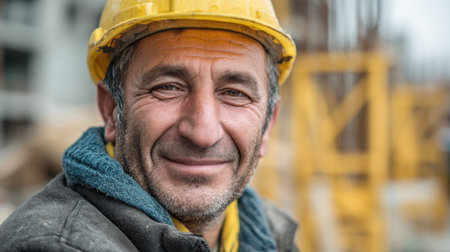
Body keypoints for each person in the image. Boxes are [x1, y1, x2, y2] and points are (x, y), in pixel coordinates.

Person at [0, 0, 297, 251]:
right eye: (168, 87)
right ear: (111, 109)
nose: (203, 133)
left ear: (268, 124)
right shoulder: (54, 244)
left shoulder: (274, 233)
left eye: (235, 93)